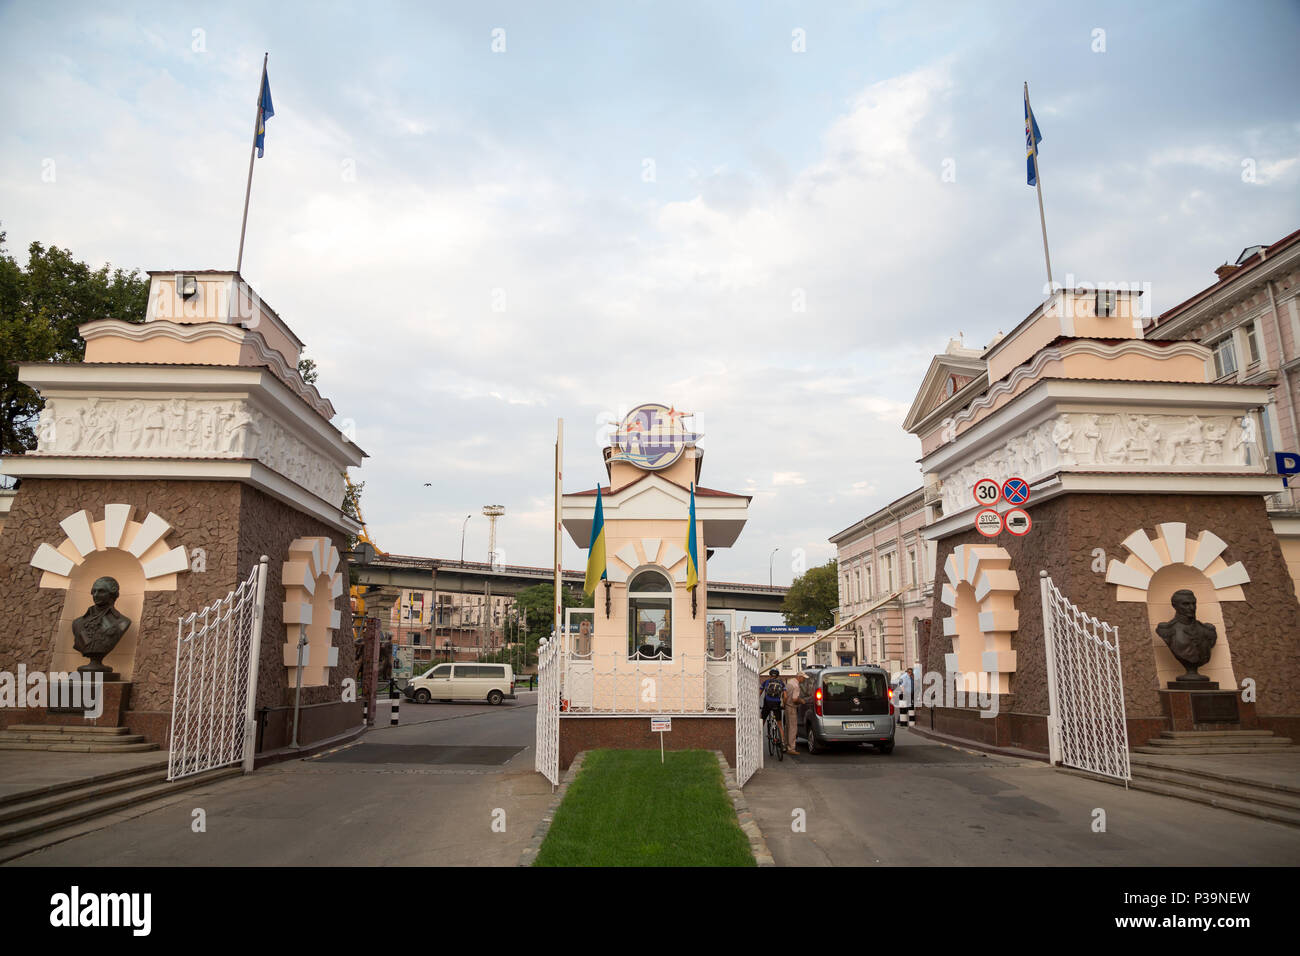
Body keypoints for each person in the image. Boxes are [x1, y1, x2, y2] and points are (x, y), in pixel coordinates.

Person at [760, 668, 785, 742]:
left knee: (762, 720)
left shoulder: (766, 682)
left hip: (767, 703)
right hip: (777, 704)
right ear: (778, 675)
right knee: (780, 724)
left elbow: (759, 693)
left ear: (770, 674)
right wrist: (784, 704)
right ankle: (783, 742)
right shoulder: (781, 683)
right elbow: (785, 696)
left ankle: (758, 737)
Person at [784, 671, 805, 753]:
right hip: (792, 707)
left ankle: (785, 744)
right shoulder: (796, 686)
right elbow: (794, 699)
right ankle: (791, 748)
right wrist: (801, 701)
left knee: (787, 727)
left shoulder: (789, 682)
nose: (803, 680)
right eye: (803, 678)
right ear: (799, 677)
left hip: (786, 706)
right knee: (793, 728)